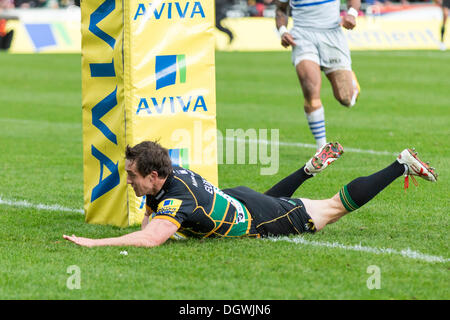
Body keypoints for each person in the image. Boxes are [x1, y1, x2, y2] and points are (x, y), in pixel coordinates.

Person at [63, 141, 437, 248]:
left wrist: (94, 244)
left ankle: (399, 165)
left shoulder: (175, 195)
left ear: (154, 174)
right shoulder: (163, 178)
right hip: (239, 202)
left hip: (252, 214)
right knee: (274, 204)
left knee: (329, 209)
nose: (127, 179)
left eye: (131, 174)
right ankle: (307, 171)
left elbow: (151, 238)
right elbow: (152, 213)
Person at [274, 0, 361, 149]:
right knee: (310, 88)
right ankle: (322, 149)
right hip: (302, 36)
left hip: (332, 34)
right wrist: (283, 31)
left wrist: (352, 14)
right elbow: (281, 9)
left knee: (346, 99)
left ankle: (351, 80)